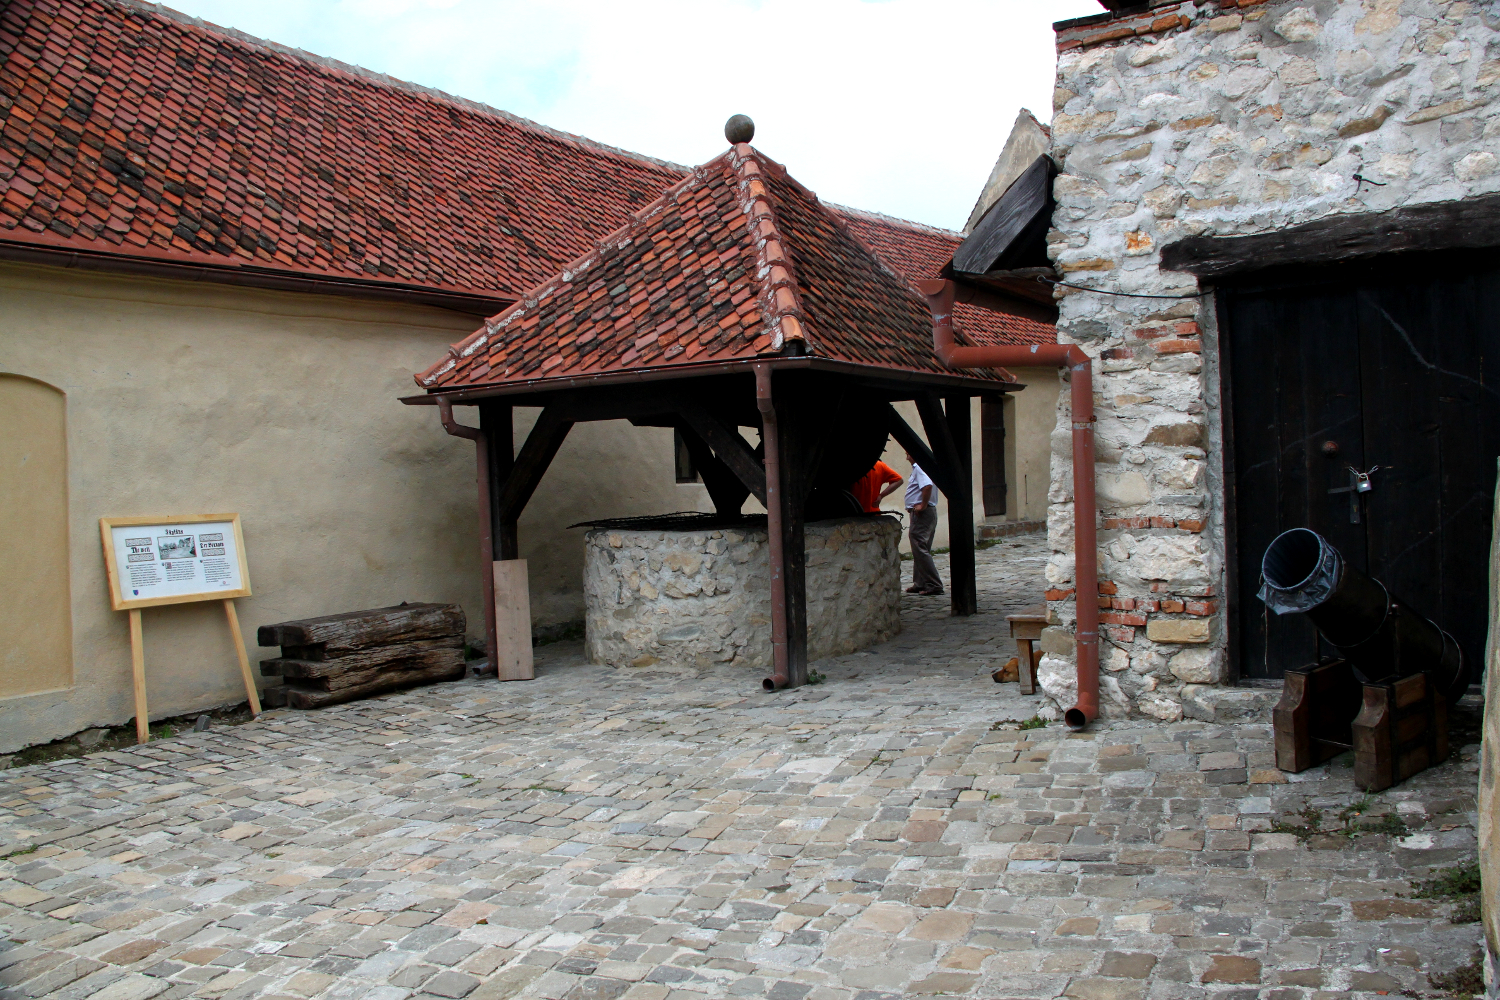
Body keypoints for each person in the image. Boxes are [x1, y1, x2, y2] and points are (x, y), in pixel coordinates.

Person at [905, 453, 943, 595]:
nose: (907, 457)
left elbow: (927, 486)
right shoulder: (924, 468)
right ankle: (920, 582)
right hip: (926, 513)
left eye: (908, 454)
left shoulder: (919, 467)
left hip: (922, 514)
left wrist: (922, 505)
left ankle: (933, 584)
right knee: (920, 547)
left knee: (919, 546)